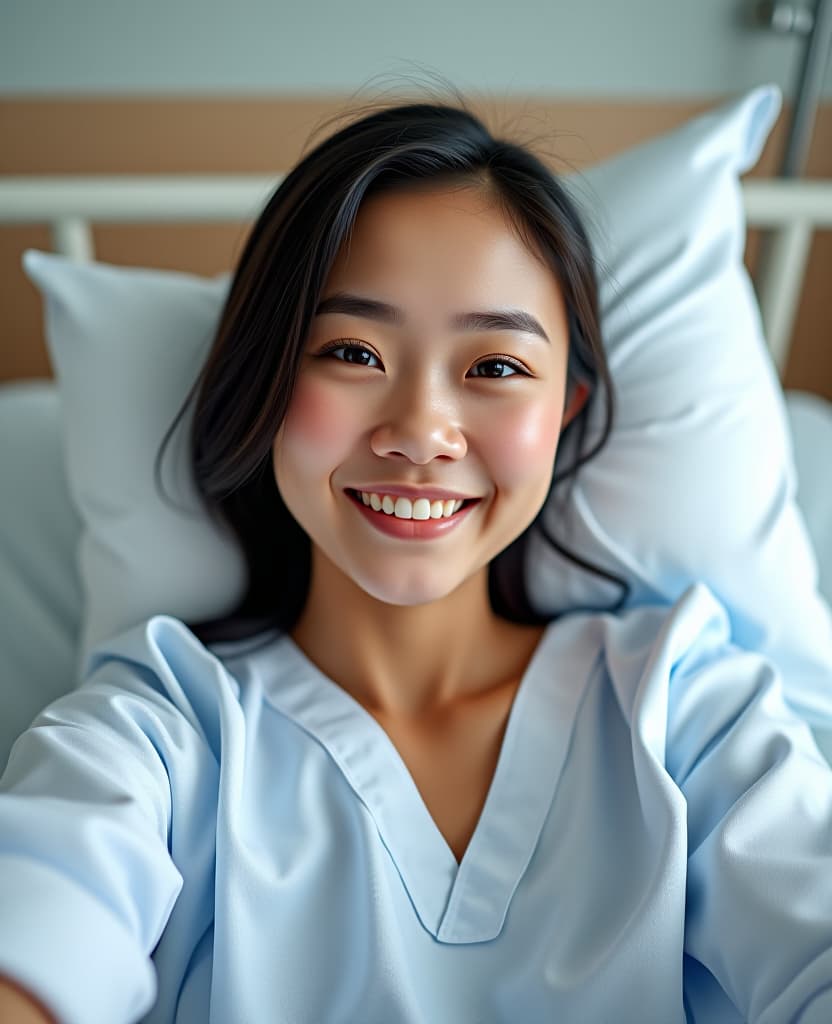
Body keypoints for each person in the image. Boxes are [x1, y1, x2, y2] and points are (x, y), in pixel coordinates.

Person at [1, 99, 832, 1024]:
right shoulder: (164, 731)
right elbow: (43, 918)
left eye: (496, 367)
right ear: (270, 382)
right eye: (354, 351)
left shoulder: (690, 711)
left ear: (566, 409)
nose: (421, 433)